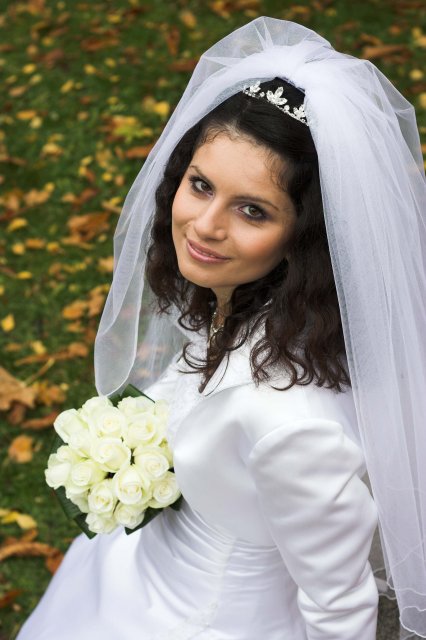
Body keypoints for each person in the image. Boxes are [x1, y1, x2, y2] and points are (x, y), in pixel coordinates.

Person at [17, 16, 426, 640]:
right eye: (201, 185)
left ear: (305, 238)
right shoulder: (251, 304)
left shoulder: (296, 429)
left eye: (252, 210)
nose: (206, 225)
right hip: (135, 580)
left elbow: (340, 610)